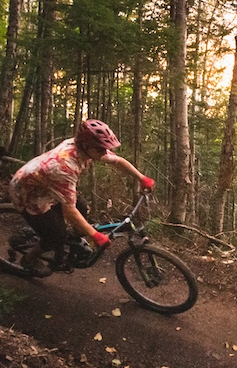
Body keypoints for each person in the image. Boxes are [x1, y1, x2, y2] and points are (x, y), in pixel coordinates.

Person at [9, 119, 154, 277]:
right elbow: (69, 210)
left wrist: (141, 178)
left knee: (82, 208)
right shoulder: (65, 166)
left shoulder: (88, 148)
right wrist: (94, 235)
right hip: (28, 193)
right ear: (86, 145)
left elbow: (117, 161)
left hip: (47, 184)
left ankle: (67, 241)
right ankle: (30, 258)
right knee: (55, 236)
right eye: (100, 149)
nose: (104, 153)